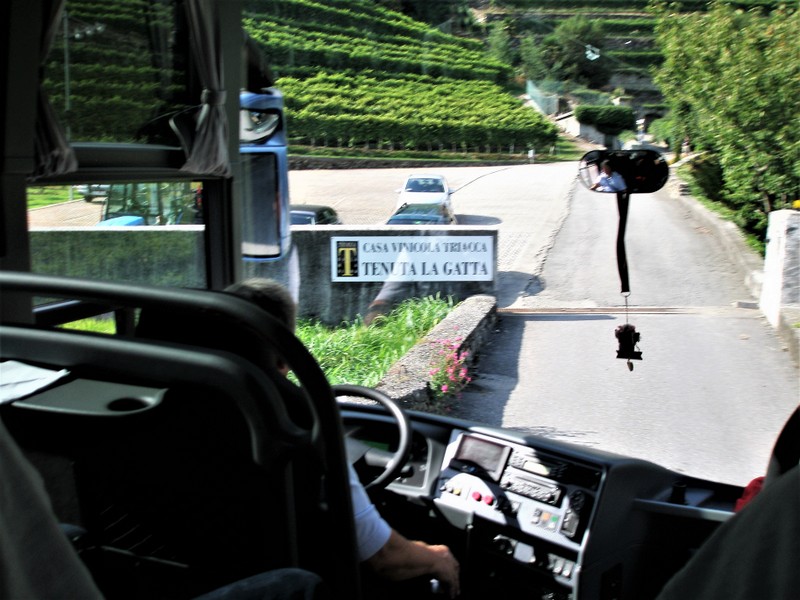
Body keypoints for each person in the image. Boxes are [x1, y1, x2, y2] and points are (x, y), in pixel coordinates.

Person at [224, 278, 461, 598]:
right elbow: (384, 557)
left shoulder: (178, 405)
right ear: (283, 356)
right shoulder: (304, 423)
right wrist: (437, 557)